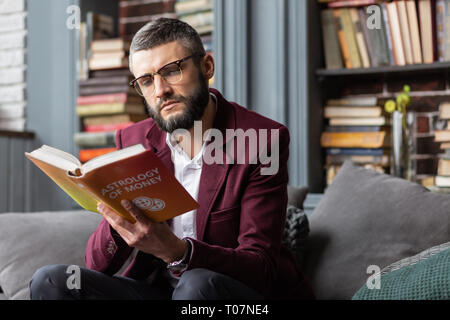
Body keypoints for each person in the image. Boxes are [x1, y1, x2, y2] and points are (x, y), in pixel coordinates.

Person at [29, 18, 314, 300]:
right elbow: (96, 265)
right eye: (146, 80)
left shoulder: (262, 140)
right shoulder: (133, 141)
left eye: (172, 71)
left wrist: (177, 252)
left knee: (196, 284)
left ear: (207, 67)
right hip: (159, 290)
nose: (160, 90)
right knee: (52, 281)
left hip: (234, 299)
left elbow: (260, 268)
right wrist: (117, 216)